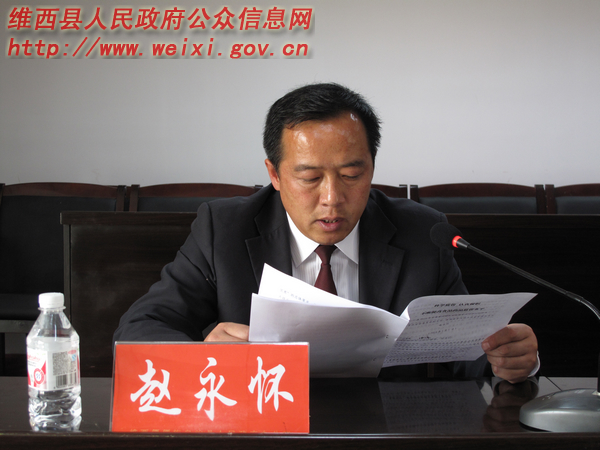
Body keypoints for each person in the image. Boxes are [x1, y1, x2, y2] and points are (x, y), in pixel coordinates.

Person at [114, 83, 538, 383]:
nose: (332, 199)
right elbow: (138, 330)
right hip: (263, 427)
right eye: (309, 178)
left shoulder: (421, 233)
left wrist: (513, 361)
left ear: (372, 167)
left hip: (384, 430)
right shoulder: (223, 229)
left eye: (352, 174)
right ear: (274, 174)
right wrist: (205, 356)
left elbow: (467, 352)